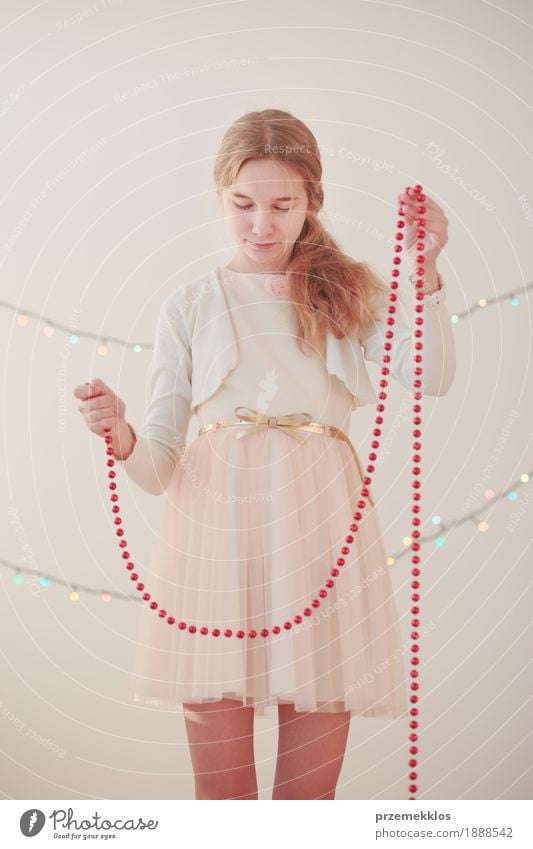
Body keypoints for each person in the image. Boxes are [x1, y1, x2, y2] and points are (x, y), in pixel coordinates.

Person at [74, 108, 456, 800]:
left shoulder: (346, 291)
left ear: (312, 200)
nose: (262, 224)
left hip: (319, 540)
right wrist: (120, 431)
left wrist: (420, 271)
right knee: (222, 807)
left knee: (305, 808)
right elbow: (158, 466)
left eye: (282, 204)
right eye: (243, 205)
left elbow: (431, 375)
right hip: (214, 551)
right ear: (219, 197)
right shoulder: (189, 305)